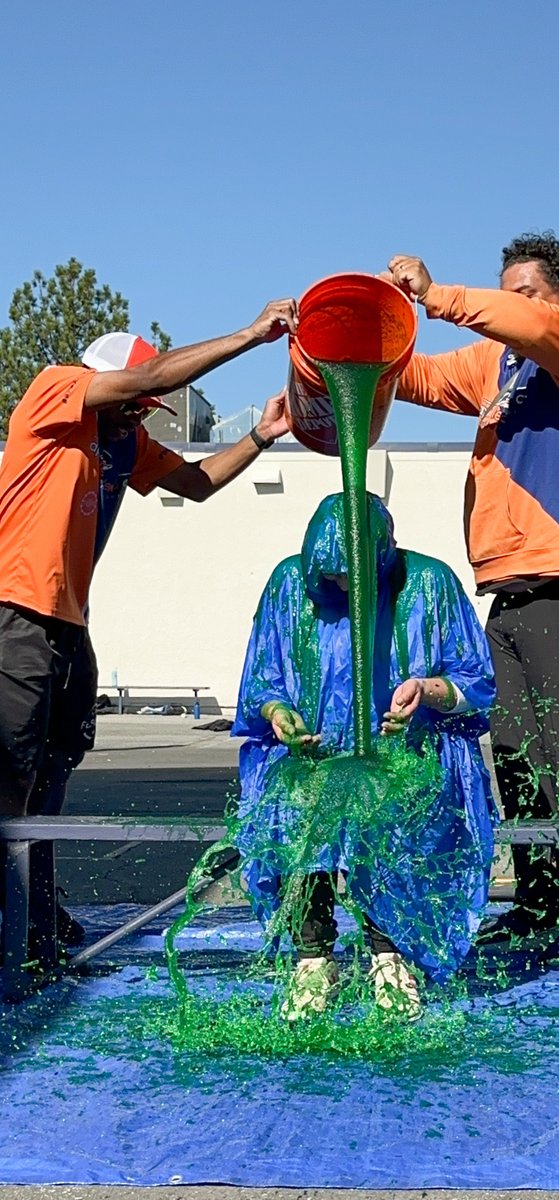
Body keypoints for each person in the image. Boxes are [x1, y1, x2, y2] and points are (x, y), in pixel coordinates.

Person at [385, 233, 559, 967]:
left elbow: (528, 324)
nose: (512, 305)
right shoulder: (497, 362)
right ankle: (540, 905)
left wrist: (440, 297)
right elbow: (415, 379)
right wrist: (348, 341)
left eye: (524, 291)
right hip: (514, 585)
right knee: (516, 754)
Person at [0, 299, 298, 949]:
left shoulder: (122, 441)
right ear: (104, 384)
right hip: (14, 612)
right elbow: (152, 378)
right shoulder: (55, 392)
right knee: (11, 776)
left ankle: (35, 915)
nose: (140, 415)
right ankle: (8, 924)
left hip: (68, 626)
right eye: (133, 402)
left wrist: (259, 437)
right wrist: (251, 335)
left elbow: (194, 483)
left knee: (52, 776)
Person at [231, 492, 496, 1021]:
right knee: (297, 806)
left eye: (357, 577)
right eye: (332, 580)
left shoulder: (429, 583)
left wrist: (428, 690)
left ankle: (389, 952)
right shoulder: (289, 586)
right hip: (311, 760)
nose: (347, 590)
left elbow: (477, 683)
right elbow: (262, 679)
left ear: (384, 556)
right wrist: (281, 715)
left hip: (407, 755)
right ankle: (313, 956)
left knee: (391, 810)